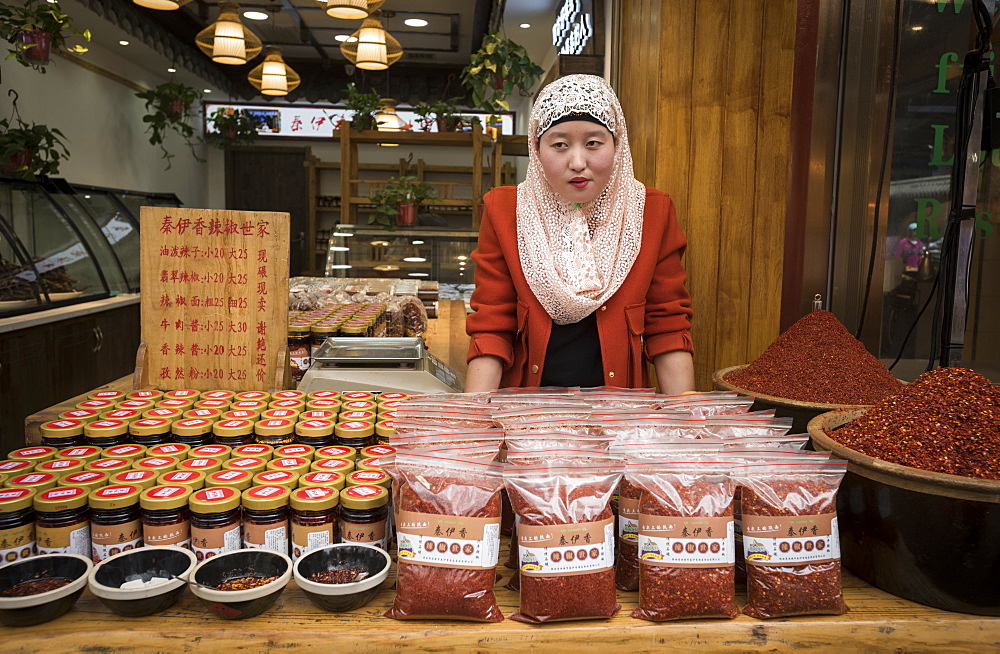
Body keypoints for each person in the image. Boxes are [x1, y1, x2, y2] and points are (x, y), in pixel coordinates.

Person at [464, 74, 694, 393]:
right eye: (559, 144)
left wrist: (683, 420)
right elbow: (492, 323)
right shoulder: (506, 210)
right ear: (537, 148)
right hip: (528, 411)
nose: (577, 162)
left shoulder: (651, 211)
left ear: (617, 145)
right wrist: (475, 416)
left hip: (619, 413)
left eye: (593, 143)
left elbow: (667, 322)